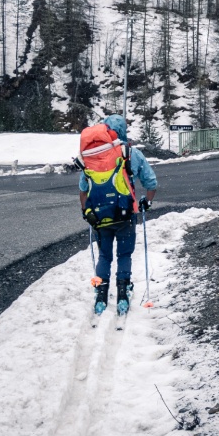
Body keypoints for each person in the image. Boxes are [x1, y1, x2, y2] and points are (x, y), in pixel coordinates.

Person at [78, 114, 158, 313]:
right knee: (124, 254)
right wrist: (147, 201)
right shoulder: (131, 153)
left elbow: (83, 188)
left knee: (104, 255)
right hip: (124, 213)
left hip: (99, 216)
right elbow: (151, 183)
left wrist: (86, 211)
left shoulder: (91, 156)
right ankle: (123, 292)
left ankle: (101, 295)